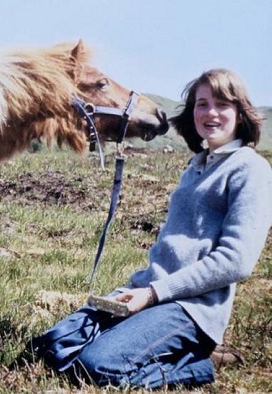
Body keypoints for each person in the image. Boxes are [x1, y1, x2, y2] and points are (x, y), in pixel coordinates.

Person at [28, 68, 272, 389]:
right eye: (202, 104)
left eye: (223, 104)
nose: (210, 113)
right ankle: (156, 345)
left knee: (97, 367)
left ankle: (198, 367)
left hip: (191, 309)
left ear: (240, 113)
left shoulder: (249, 168)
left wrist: (153, 293)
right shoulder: (196, 166)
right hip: (148, 293)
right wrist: (143, 290)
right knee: (50, 346)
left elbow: (236, 262)